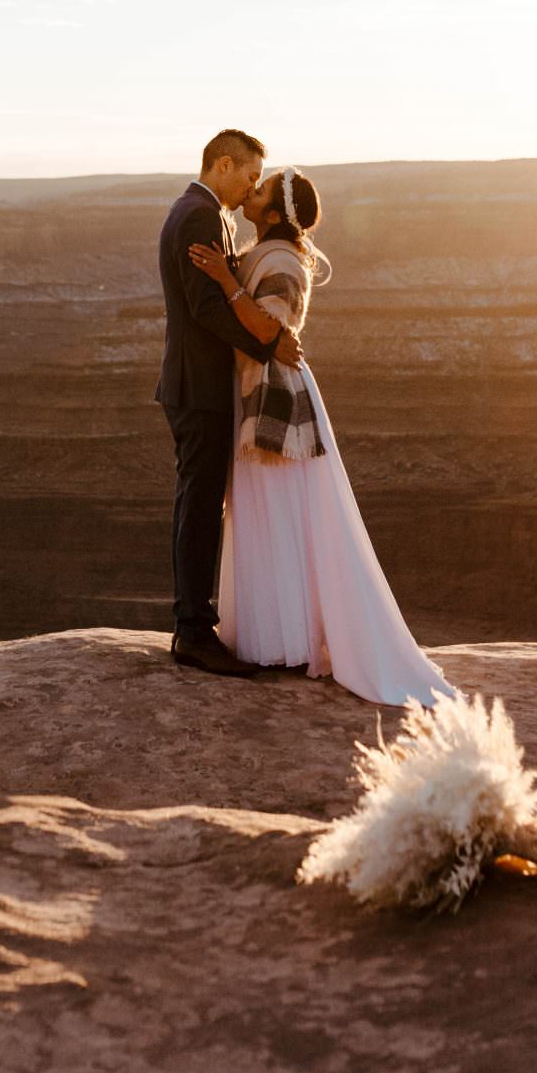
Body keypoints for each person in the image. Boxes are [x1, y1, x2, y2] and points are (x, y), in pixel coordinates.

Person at [188, 165, 453, 707]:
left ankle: (288, 643)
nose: (250, 193)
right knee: (265, 517)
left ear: (276, 211)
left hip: (277, 398)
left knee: (280, 516)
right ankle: (274, 641)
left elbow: (268, 329)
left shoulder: (283, 261)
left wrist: (222, 280)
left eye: (260, 190)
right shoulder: (268, 252)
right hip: (257, 389)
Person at [154, 128, 301, 677]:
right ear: (222, 165)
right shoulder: (199, 216)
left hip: (196, 384)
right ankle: (192, 631)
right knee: (199, 506)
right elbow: (205, 310)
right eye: (249, 177)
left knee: (198, 503)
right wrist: (269, 342)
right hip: (200, 387)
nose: (250, 189)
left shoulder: (197, 210)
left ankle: (193, 625)